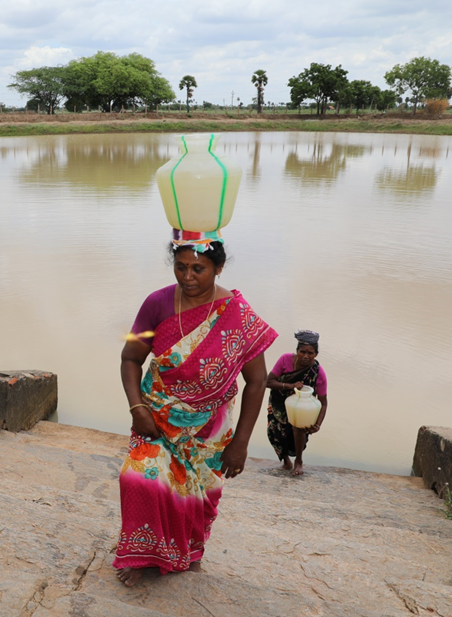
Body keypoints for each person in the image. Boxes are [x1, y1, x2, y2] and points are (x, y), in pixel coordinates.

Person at [113, 229, 277, 587]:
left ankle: (187, 553)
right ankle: (145, 554)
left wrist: (241, 443)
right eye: (180, 266)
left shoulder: (237, 314)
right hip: (156, 417)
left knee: (198, 496)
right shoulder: (155, 304)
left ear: (218, 268)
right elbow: (130, 358)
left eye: (198, 269)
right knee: (138, 477)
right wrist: (136, 407)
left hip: (209, 428)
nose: (187, 277)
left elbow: (258, 381)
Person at [265, 330, 328, 477]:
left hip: (301, 407)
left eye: (310, 353)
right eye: (302, 351)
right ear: (297, 351)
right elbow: (268, 382)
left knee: (298, 430)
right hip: (279, 403)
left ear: (316, 354)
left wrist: (318, 424)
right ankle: (286, 460)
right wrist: (290, 385)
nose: (305, 356)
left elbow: (323, 402)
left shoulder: (318, 373)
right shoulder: (285, 360)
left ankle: (299, 461)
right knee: (275, 432)